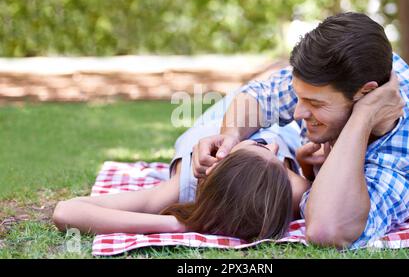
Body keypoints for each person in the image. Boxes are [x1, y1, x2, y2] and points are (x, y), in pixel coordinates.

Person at [192, 12, 409, 249]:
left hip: (291, 146)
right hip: (286, 143)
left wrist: (364, 116)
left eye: (315, 104)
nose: (297, 113)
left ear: (368, 93)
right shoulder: (364, 64)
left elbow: (327, 230)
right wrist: (231, 136)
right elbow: (260, 96)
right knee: (205, 154)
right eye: (299, 98)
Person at [52, 93, 312, 241]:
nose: (274, 148)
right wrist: (304, 164)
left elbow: (67, 211)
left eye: (260, 145)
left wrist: (179, 225)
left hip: (217, 122)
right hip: (282, 124)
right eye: (264, 148)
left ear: (220, 161)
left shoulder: (186, 184)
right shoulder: (293, 189)